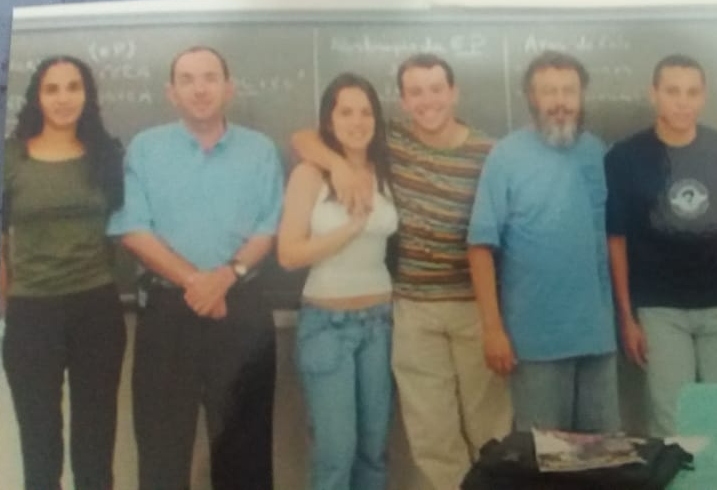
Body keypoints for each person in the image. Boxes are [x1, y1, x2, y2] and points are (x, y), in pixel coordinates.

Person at [290, 53, 511, 490]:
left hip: (474, 306)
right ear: (403, 101)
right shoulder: (390, 141)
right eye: (415, 92)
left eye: (436, 89)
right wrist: (337, 165)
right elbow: (303, 137)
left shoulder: (491, 152)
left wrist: (497, 322)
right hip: (411, 310)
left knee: (491, 433)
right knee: (432, 439)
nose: (427, 101)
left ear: (454, 92)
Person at [107, 46, 284, 489]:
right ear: (171, 92)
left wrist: (224, 278)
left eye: (209, 78)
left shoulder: (259, 150)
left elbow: (268, 228)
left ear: (229, 88)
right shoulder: (145, 148)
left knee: (245, 456)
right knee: (162, 454)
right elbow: (132, 229)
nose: (199, 89)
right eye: (186, 79)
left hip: (241, 309)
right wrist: (197, 282)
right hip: (168, 313)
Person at [604, 54, 717, 437]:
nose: (683, 102)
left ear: (704, 96)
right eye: (672, 91)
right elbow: (617, 240)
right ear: (654, 94)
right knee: (672, 425)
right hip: (660, 310)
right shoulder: (625, 157)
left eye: (692, 92)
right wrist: (627, 317)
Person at [467, 50, 619, 433]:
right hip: (534, 344)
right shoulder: (505, 156)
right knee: (544, 459)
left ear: (582, 96)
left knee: (605, 457)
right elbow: (480, 247)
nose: (560, 102)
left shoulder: (598, 154)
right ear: (532, 98)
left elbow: (613, 241)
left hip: (597, 339)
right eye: (549, 91)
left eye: (569, 90)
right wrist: (492, 330)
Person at [1, 56, 125, 490]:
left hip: (97, 308)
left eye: (74, 87)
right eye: (52, 89)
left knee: (95, 450)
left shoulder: (107, 155)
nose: (63, 98)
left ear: (87, 96)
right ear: (37, 97)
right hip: (31, 312)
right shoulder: (10, 156)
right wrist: (9, 300)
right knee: (40, 451)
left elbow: (126, 226)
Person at [278, 73, 398, 490]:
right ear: (329, 120)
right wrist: (349, 229)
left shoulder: (386, 169)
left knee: (374, 452)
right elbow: (288, 254)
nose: (357, 121)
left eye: (366, 112)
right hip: (327, 326)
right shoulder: (310, 174)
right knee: (335, 454)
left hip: (381, 323)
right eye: (345, 112)